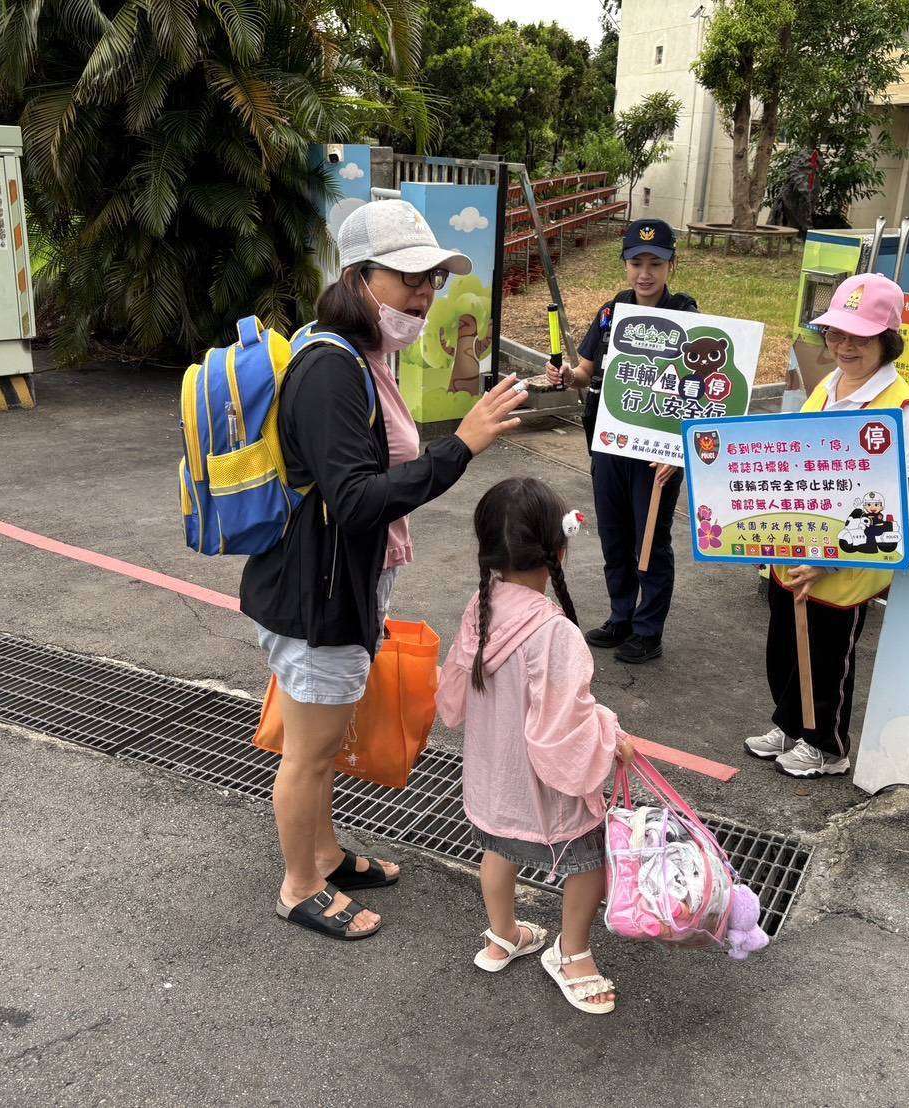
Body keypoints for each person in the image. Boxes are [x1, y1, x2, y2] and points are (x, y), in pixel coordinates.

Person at [241, 200, 529, 941]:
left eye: (431, 278)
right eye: (408, 279)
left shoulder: (361, 356)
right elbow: (357, 500)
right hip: (318, 590)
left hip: (339, 582)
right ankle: (299, 884)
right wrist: (458, 448)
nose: (424, 295)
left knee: (329, 738)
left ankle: (327, 854)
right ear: (359, 277)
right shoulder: (331, 369)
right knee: (307, 753)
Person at [436, 476, 636, 1015]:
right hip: (545, 792)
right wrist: (611, 734)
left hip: (493, 781)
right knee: (585, 862)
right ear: (560, 549)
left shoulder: (479, 608)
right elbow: (563, 729)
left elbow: (452, 698)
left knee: (498, 848)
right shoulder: (554, 632)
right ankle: (571, 953)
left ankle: (504, 934)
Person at [744, 274, 909, 779]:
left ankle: (826, 745)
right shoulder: (827, 385)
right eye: (837, 333)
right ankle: (789, 722)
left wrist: (824, 558)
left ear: (887, 340)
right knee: (783, 643)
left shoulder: (899, 409)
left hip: (843, 564)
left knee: (827, 655)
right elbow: (794, 456)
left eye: (859, 337)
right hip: (793, 546)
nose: (844, 346)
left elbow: (891, 507)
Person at [547, 219, 698, 664]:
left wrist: (680, 453)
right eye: (636, 263)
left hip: (658, 457)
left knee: (650, 540)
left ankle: (648, 629)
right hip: (609, 443)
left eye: (656, 262)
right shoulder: (612, 312)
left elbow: (704, 390)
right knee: (614, 535)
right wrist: (564, 377)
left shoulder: (688, 315)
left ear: (672, 264)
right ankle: (620, 617)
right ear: (626, 264)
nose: (645, 273)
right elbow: (584, 373)